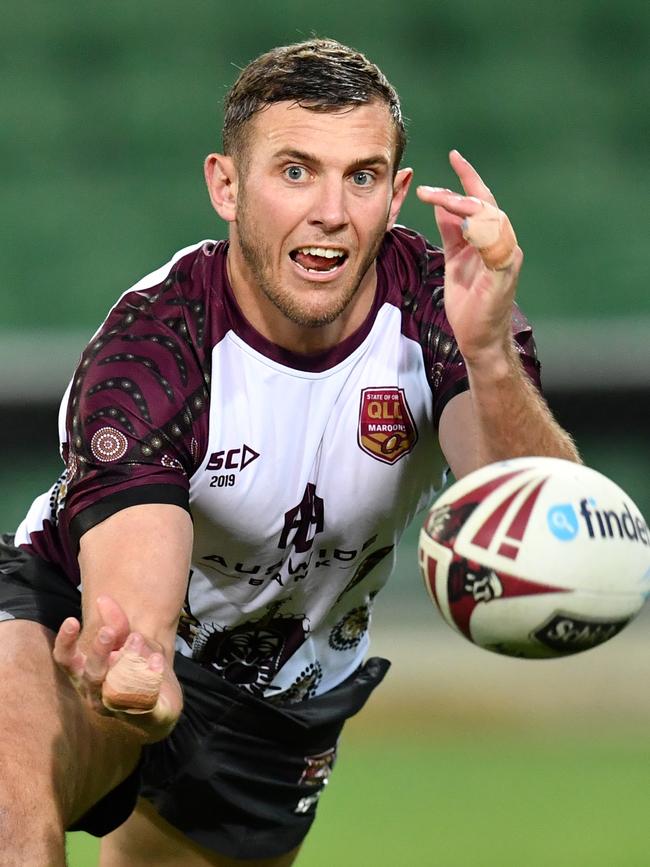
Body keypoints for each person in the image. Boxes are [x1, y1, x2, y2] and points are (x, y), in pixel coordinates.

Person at [0, 38, 579, 866]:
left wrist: (489, 352)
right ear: (226, 186)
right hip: (76, 620)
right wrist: (139, 673)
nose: (332, 212)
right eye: (296, 171)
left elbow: (540, 524)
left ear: (397, 194)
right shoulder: (156, 347)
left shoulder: (444, 305)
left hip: (274, 699)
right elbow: (136, 626)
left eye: (363, 176)